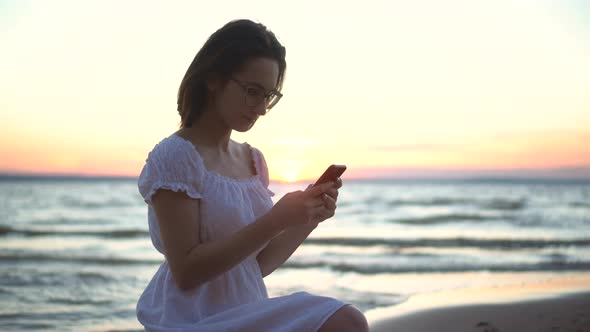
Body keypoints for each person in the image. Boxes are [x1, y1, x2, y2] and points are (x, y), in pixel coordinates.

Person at [136, 19, 369, 331]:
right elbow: (187, 271)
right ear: (214, 79)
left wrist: (306, 219)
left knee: (345, 321)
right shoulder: (176, 157)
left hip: (247, 309)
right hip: (193, 319)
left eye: (269, 96)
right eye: (252, 91)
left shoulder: (252, 161)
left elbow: (255, 267)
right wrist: (275, 220)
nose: (260, 108)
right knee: (345, 320)